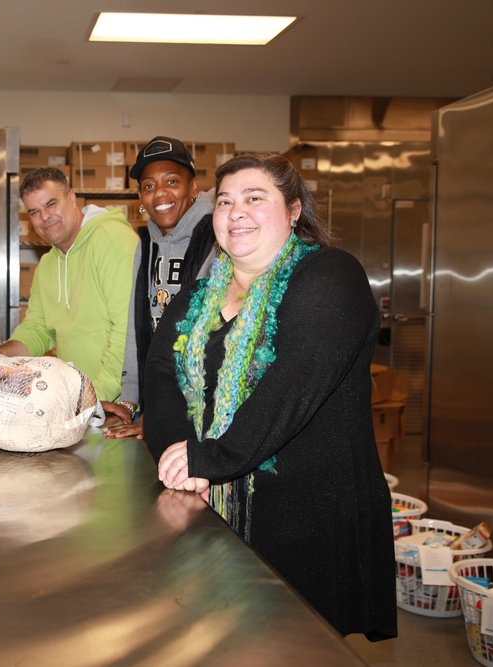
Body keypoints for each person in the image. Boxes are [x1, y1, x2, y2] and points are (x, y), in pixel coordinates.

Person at [143, 152, 396, 640]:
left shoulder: (331, 277)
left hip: (307, 517)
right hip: (212, 504)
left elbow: (294, 384)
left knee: (295, 644)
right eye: (225, 202)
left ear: (294, 210)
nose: (236, 212)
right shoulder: (200, 295)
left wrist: (212, 458)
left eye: (255, 198)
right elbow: (161, 371)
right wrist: (179, 453)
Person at [0, 167, 138, 402]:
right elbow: (37, 330)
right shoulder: (47, 264)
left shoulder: (112, 239)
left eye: (51, 204)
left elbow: (128, 328)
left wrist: (95, 396)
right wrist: (0, 354)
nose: (44, 217)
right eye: (34, 211)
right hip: (77, 398)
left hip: (117, 402)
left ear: (72, 198)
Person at [102, 136, 217, 438]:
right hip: (156, 404)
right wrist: (130, 399)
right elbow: (137, 326)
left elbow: (204, 337)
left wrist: (165, 413)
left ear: (193, 188)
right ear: (140, 197)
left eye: (172, 181)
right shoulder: (146, 244)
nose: (160, 193)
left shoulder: (216, 238)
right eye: (149, 186)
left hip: (200, 410)